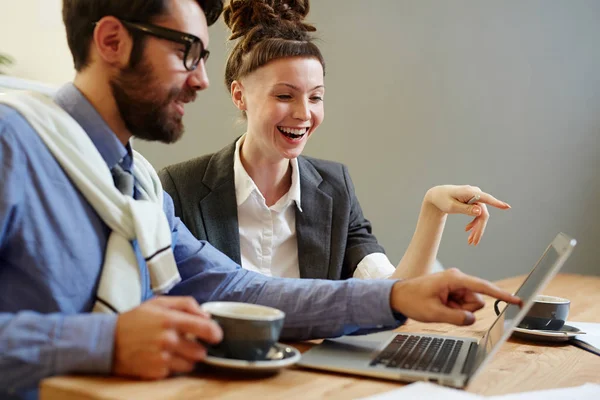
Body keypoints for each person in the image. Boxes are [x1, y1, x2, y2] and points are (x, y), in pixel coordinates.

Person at [0, 0, 520, 398]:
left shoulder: (137, 185)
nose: (202, 79)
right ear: (112, 41)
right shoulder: (11, 146)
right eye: (186, 53)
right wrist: (105, 342)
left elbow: (238, 287)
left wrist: (394, 297)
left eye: (202, 56)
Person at [158, 0, 511, 281]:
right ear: (239, 95)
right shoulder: (180, 187)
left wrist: (433, 208)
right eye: (284, 96)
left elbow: (394, 293)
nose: (303, 113)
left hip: (311, 368)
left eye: (315, 97)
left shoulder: (335, 189)